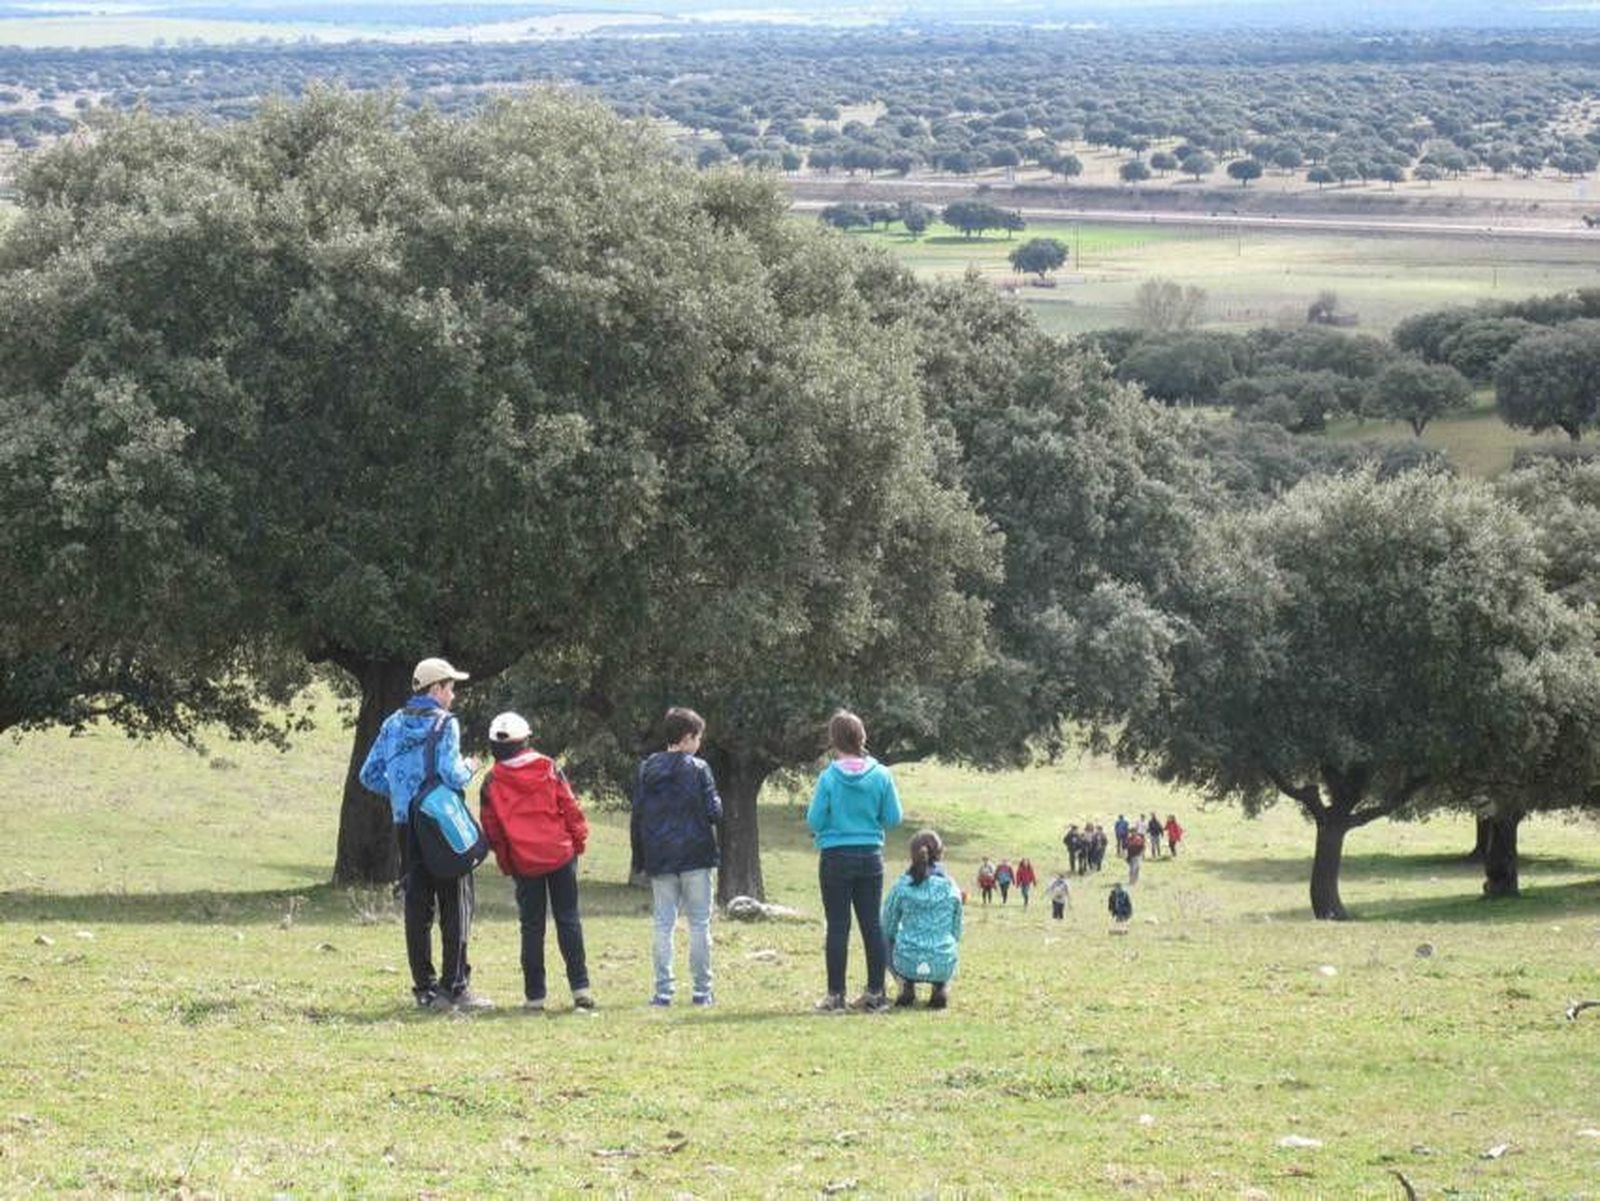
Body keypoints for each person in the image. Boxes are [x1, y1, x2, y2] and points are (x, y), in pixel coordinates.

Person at [359, 656, 488, 1012]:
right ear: (436, 689)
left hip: (406, 825)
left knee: (418, 906)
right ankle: (455, 987)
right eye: (450, 688)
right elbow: (452, 774)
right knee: (456, 904)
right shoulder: (446, 725)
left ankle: (425, 988)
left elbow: (369, 775)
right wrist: (471, 766)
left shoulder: (392, 723)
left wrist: (402, 795)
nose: (453, 696)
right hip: (440, 822)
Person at [478, 711, 594, 1012]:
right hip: (560, 854)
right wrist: (578, 842)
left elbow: (493, 830)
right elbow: (569, 806)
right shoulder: (548, 767)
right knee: (568, 919)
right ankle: (581, 988)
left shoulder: (491, 781)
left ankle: (534, 996)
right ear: (525, 739)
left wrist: (506, 862)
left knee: (531, 927)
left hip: (523, 861)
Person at [806, 710, 902, 1014]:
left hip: (835, 856)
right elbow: (894, 818)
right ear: (862, 737)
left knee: (838, 926)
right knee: (872, 924)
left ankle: (836, 996)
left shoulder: (829, 777)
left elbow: (814, 820)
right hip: (870, 855)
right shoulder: (881, 775)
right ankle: (876, 993)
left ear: (834, 741)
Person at [631, 706, 723, 1008]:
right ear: (687, 738)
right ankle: (702, 990)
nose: (700, 743)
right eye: (698, 737)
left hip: (660, 855)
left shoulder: (647, 769)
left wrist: (640, 856)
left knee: (663, 923)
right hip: (695, 853)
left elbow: (639, 814)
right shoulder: (698, 769)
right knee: (699, 924)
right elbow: (714, 812)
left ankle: (663, 990)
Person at [881, 829, 964, 1010]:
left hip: (907, 959)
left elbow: (888, 924)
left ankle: (905, 983)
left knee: (882, 935)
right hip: (942, 959)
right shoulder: (951, 887)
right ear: (940, 854)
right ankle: (940, 986)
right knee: (951, 941)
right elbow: (957, 929)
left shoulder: (902, 886)